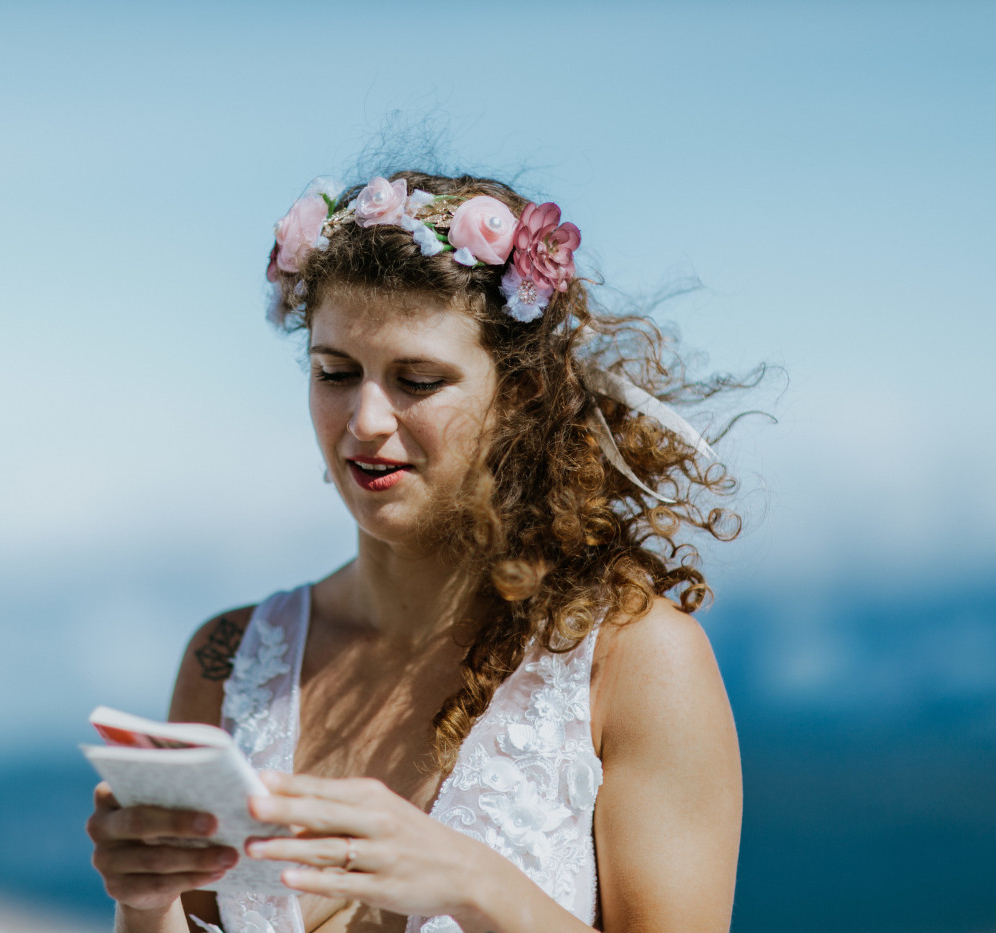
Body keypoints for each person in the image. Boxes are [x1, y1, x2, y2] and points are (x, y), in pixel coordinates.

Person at [87, 170, 745, 933]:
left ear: (521, 396)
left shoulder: (634, 661)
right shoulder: (230, 661)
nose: (365, 419)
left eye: (417, 380)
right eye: (336, 372)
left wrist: (476, 884)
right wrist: (145, 903)